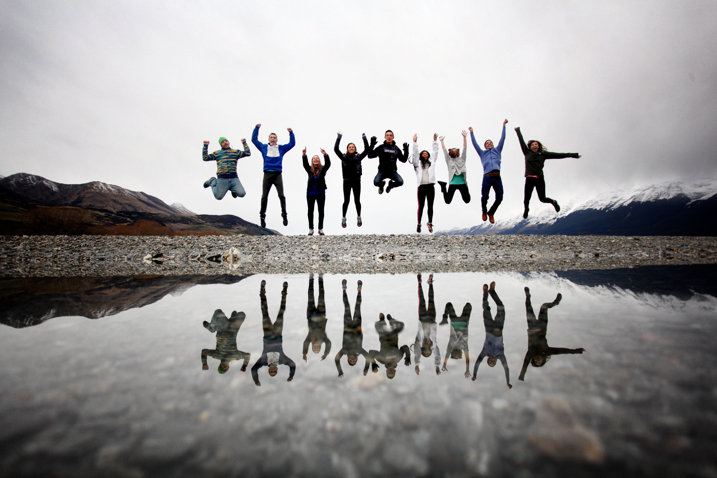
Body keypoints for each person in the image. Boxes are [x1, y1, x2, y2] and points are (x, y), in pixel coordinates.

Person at [518, 287, 585, 382]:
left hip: (532, 327)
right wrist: (577, 351)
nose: (538, 360)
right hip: (542, 327)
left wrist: (522, 375)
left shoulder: (531, 352)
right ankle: (555, 303)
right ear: (543, 360)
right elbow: (562, 351)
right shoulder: (547, 351)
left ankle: (528, 295)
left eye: (536, 361)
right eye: (540, 362)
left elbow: (525, 363)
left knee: (528, 307)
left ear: (533, 359)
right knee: (544, 306)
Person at [514, 126, 581, 219]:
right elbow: (521, 141)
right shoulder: (527, 152)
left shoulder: (543, 154)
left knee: (542, 199)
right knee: (526, 199)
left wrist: (574, 155)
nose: (534, 146)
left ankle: (553, 202)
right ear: (530, 146)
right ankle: (526, 209)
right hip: (529, 179)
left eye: (536, 144)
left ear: (538, 146)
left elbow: (559, 155)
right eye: (532, 144)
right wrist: (517, 130)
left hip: (539, 179)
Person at [251, 280, 296, 386]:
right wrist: (291, 376)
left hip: (267, 334)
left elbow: (253, 369)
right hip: (277, 334)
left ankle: (262, 292)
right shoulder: (282, 360)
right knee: (281, 313)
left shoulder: (262, 362)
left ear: (268, 370)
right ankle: (284, 293)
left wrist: (256, 380)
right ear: (276, 370)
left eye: (271, 372)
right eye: (274, 371)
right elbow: (292, 365)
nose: (272, 370)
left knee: (264, 312)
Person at [252, 124, 296, 227]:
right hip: (267, 173)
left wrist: (291, 132)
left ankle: (284, 215)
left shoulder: (281, 148)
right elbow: (254, 140)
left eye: (274, 138)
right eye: (271, 137)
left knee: (281, 196)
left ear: (277, 140)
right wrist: (256, 128)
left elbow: (292, 143)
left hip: (277, 174)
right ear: (268, 139)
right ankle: (262, 217)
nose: (273, 139)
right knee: (264, 196)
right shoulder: (263, 147)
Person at [472, 282, 511, 388]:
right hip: (498, 330)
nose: (493, 361)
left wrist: (475, 374)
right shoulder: (500, 356)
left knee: (486, 309)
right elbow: (506, 368)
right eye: (494, 363)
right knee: (501, 307)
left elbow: (477, 363)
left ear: (488, 360)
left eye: (491, 362)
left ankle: (485, 293)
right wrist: (508, 381)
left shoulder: (485, 353)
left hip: (489, 329)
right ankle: (492, 292)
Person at [470, 119, 508, 224]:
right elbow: (474, 144)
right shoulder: (482, 153)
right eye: (487, 143)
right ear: (485, 146)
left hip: (497, 176)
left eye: (491, 142)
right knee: (485, 196)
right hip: (487, 176)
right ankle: (484, 211)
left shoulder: (498, 150)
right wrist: (472, 132)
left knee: (500, 197)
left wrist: (504, 125)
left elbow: (503, 138)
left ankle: (491, 213)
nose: (489, 144)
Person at [334, 132, 371, 228]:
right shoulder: (343, 157)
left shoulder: (358, 157)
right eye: (349, 147)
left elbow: (367, 150)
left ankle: (359, 216)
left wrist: (364, 138)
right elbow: (336, 149)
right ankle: (343, 218)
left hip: (356, 180)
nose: (351, 148)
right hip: (346, 180)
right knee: (346, 200)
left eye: (353, 147)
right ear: (347, 149)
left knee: (357, 200)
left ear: (355, 149)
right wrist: (339, 138)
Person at [335, 279, 370, 377]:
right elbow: (368, 358)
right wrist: (366, 368)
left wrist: (340, 371)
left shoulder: (345, 350)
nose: (352, 359)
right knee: (358, 307)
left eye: (350, 361)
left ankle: (344, 289)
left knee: (347, 306)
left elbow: (336, 359)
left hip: (347, 324)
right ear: (356, 359)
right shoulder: (359, 350)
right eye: (354, 361)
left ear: (348, 359)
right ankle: (359, 290)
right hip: (357, 324)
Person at [201, 309, 251, 374]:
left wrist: (204, 363)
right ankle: (231, 319)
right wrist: (244, 366)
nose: (224, 367)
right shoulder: (236, 356)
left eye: (222, 368)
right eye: (225, 369)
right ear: (228, 367)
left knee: (218, 312)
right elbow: (247, 356)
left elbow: (204, 351)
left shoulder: (217, 355)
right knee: (242, 314)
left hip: (222, 329)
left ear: (220, 365)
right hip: (233, 330)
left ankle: (212, 328)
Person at [365, 313, 411, 379]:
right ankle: (391, 320)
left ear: (386, 371)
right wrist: (408, 357)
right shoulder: (398, 358)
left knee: (377, 326)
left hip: (383, 336)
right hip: (393, 336)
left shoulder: (382, 360)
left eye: (389, 373)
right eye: (392, 373)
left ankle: (382, 320)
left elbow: (371, 352)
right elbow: (405, 347)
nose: (390, 371)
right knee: (401, 325)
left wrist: (373, 363)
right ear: (395, 371)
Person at [413, 274, 440, 375]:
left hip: (423, 319)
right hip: (432, 319)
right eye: (429, 352)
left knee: (422, 300)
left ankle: (419, 283)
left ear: (423, 350)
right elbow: (437, 353)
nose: (428, 350)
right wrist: (437, 365)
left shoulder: (419, 341)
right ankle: (430, 283)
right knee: (431, 299)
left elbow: (416, 352)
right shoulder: (434, 343)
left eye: (426, 352)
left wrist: (417, 364)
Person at [411, 134, 439, 233]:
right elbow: (414, 153)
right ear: (421, 155)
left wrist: (435, 141)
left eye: (427, 153)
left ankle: (430, 223)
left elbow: (435, 152)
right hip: (421, 187)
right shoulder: (417, 164)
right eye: (423, 153)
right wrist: (414, 142)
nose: (425, 154)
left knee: (430, 205)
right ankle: (419, 224)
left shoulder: (432, 162)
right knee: (421, 205)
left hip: (430, 186)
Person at [367, 130, 408, 194]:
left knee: (400, 182)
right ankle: (381, 185)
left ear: (393, 137)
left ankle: (391, 185)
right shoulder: (381, 147)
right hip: (382, 171)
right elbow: (370, 155)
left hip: (392, 171)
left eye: (390, 135)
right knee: (376, 182)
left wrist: (406, 151)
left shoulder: (396, 149)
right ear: (385, 137)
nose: (389, 137)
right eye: (387, 135)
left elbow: (403, 160)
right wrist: (372, 145)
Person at [302, 148, 331, 236]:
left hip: (320, 193)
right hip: (310, 193)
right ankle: (311, 229)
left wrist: (325, 154)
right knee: (310, 211)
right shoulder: (309, 169)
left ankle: (320, 229)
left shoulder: (322, 168)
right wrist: (304, 155)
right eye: (314, 158)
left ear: (319, 160)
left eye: (317, 158)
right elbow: (305, 164)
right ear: (312, 161)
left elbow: (328, 164)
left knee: (321, 211)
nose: (315, 159)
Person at [303, 273, 331, 361]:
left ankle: (311, 279)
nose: (316, 348)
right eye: (317, 349)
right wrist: (326, 353)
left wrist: (304, 353)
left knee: (310, 295)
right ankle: (320, 278)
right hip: (321, 315)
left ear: (312, 346)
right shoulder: (323, 339)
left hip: (311, 315)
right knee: (321, 295)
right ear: (320, 347)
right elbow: (329, 343)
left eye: (314, 349)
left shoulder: (309, 338)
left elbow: (305, 343)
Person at [437, 131, 471, 204]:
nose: (454, 151)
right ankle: (443, 186)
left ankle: (466, 186)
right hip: (453, 183)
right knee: (447, 201)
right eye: (453, 150)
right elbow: (444, 151)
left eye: (455, 150)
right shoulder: (449, 160)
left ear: (458, 152)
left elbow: (465, 148)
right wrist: (442, 141)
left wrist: (464, 137)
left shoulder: (462, 159)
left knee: (467, 200)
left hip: (462, 183)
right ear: (450, 153)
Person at [442, 300, 472, 378]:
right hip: (459, 322)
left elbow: (447, 356)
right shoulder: (460, 347)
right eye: (458, 356)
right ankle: (444, 318)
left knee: (468, 305)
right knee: (450, 305)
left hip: (460, 322)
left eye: (456, 356)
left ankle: (444, 318)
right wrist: (467, 369)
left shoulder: (454, 346)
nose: (457, 355)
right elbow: (447, 356)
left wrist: (444, 365)